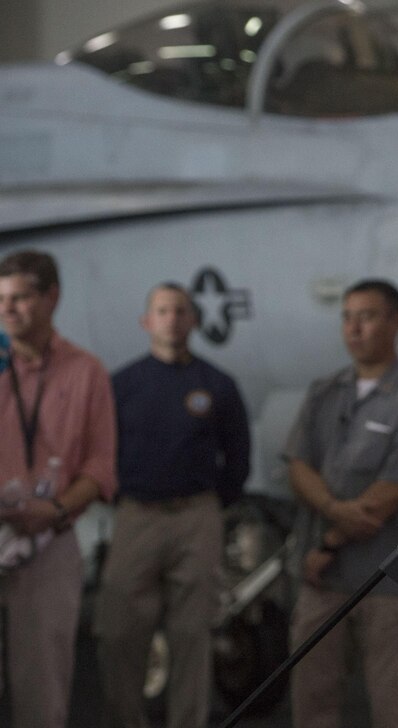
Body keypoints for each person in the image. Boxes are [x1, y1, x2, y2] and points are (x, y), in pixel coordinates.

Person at [283, 279, 398, 728]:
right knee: (312, 705)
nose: (354, 328)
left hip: (389, 587)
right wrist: (335, 514)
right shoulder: (325, 391)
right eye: (347, 317)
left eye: (368, 316)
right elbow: (298, 465)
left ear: (395, 323)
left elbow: (387, 497)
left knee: (396, 709)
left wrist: (330, 539)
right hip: (323, 581)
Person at [94, 282, 251, 728]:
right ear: (147, 322)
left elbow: (238, 454)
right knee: (121, 631)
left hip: (196, 516)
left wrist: (218, 500)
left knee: (192, 633)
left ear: (195, 320)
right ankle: (125, 720)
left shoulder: (217, 385)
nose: (172, 318)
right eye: (162, 310)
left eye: (181, 310)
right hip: (136, 516)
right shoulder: (121, 385)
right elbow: (102, 450)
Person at [0, 249, 117, 728]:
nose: (8, 309)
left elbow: (101, 465)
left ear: (52, 297)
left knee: (42, 689)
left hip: (49, 544)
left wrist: (55, 510)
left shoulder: (85, 371)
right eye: (1, 298)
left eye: (20, 297)